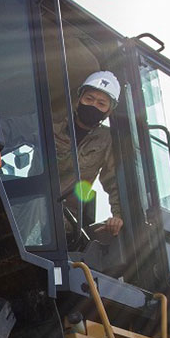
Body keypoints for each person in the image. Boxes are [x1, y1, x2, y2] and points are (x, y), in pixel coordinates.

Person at [56, 70, 123, 237]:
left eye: (101, 103)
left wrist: (118, 216)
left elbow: (113, 180)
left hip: (66, 216)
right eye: (89, 99)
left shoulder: (106, 140)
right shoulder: (54, 125)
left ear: (108, 111)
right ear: (80, 99)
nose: (93, 106)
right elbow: (20, 130)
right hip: (33, 201)